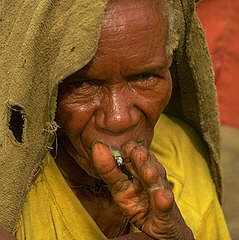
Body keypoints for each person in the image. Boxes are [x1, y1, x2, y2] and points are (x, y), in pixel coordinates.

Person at [0, 0, 231, 239]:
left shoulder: (181, 151)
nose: (118, 118)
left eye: (144, 77)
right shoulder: (11, 194)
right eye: (81, 84)